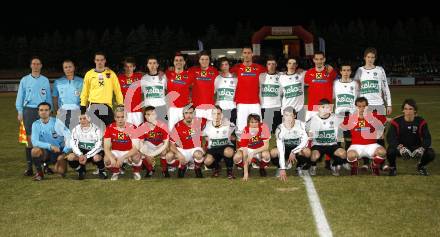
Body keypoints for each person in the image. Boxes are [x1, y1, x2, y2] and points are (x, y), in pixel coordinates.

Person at [16, 56, 52, 176]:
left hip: (43, 110)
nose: (36, 66)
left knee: (45, 137)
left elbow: (48, 97)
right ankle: (30, 167)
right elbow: (20, 96)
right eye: (34, 64)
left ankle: (46, 166)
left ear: (41, 66)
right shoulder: (24, 80)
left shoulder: (45, 80)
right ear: (31, 66)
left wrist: (50, 110)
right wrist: (20, 111)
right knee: (30, 140)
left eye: (38, 64)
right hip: (29, 111)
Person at [386, 99, 435, 176]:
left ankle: (421, 166)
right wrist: (399, 147)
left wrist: (422, 148)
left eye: (410, 109)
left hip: (416, 148)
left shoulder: (421, 121)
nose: (408, 111)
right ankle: (393, 168)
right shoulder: (396, 122)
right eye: (406, 109)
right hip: (402, 148)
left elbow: (427, 138)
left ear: (415, 110)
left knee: (431, 153)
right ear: (403, 110)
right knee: (390, 151)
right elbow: (390, 138)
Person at [341, 97, 387, 176]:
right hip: (356, 146)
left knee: (382, 152)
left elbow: (385, 121)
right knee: (350, 155)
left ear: (367, 106)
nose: (362, 108)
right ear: (356, 107)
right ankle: (354, 167)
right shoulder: (350, 118)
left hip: (371, 145)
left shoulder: (374, 116)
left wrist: (381, 131)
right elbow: (341, 127)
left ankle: (374, 165)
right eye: (359, 106)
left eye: (364, 106)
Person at [80, 52, 124, 126]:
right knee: (94, 131)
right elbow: (85, 92)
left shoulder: (111, 74)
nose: (99, 62)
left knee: (110, 130)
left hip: (107, 106)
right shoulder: (89, 74)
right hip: (94, 106)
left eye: (101, 60)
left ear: (105, 60)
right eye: (97, 60)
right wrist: (83, 107)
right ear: (94, 61)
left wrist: (120, 104)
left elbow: (117, 91)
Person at [30, 102, 71, 181]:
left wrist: (65, 152)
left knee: (61, 171)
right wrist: (50, 146)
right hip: (46, 152)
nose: (44, 112)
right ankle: (39, 173)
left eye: (46, 110)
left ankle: (49, 166)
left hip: (59, 151)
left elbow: (69, 136)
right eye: (41, 110)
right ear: (38, 112)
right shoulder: (35, 124)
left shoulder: (58, 122)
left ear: (50, 111)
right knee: (34, 151)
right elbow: (34, 142)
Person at [230, 46, 265, 136]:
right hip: (241, 101)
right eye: (245, 53)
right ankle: (241, 145)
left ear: (252, 54)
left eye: (249, 53)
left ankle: (257, 145)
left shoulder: (259, 68)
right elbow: (225, 74)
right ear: (242, 54)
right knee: (241, 126)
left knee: (257, 125)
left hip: (255, 101)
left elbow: (272, 74)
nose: (247, 55)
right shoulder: (236, 68)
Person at [306, 99, 347, 176]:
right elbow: (307, 132)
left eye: (327, 107)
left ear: (330, 109)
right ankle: (313, 166)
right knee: (314, 156)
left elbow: (345, 127)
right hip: (318, 145)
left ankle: (334, 165)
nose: (325, 109)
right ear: (318, 108)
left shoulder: (337, 118)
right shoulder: (313, 119)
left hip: (332, 145)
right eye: (322, 107)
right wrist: (310, 133)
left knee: (343, 154)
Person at [270, 107, 310, 181]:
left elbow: (305, 141)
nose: (288, 118)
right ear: (283, 116)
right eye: (286, 115)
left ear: (294, 116)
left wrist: (294, 151)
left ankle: (299, 166)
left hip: (297, 147)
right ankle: (280, 166)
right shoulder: (279, 129)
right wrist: (282, 168)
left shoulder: (301, 125)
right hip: (284, 148)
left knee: (307, 152)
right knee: (273, 152)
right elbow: (281, 148)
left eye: (290, 115)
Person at [103, 105, 140, 180]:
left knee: (136, 156)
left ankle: (136, 172)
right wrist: (111, 158)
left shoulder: (132, 127)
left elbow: (135, 148)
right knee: (106, 159)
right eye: (118, 117)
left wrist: (123, 158)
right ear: (115, 118)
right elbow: (106, 147)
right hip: (115, 151)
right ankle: (116, 171)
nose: (120, 119)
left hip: (128, 151)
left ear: (126, 117)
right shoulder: (109, 128)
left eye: (122, 117)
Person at [169, 104, 207, 178]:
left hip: (195, 149)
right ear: (183, 114)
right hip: (183, 150)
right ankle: (183, 166)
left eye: (190, 113)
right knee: (169, 156)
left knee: (199, 155)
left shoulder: (201, 121)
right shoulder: (177, 126)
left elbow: (213, 122)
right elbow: (171, 144)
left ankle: (197, 168)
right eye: (186, 113)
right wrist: (178, 153)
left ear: (194, 113)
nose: (188, 115)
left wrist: (204, 147)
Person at [67, 114, 107, 180]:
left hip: (94, 152)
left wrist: (87, 156)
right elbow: (73, 143)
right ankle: (80, 170)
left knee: (97, 158)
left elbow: (98, 145)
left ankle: (102, 170)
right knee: (70, 157)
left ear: (89, 119)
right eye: (80, 119)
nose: (82, 120)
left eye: (84, 118)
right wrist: (80, 155)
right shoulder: (76, 129)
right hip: (81, 152)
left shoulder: (96, 129)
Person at [136, 106, 173, 178]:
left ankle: (164, 170)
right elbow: (140, 143)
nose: (150, 116)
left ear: (156, 115)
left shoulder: (163, 125)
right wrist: (147, 155)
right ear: (145, 116)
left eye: (152, 114)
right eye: (148, 114)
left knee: (164, 151)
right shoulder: (142, 126)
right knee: (141, 151)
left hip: (160, 145)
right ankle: (150, 169)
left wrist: (154, 153)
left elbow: (166, 143)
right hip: (149, 144)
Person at [234, 114, 271, 181]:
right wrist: (246, 173)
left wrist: (253, 153)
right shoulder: (246, 130)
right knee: (236, 157)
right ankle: (246, 168)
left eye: (256, 122)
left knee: (266, 155)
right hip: (248, 148)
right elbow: (245, 151)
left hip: (260, 149)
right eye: (252, 122)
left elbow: (266, 146)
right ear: (248, 123)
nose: (254, 124)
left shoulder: (264, 127)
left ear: (259, 122)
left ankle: (262, 167)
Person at [203, 106, 236, 179]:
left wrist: (233, 140)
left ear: (222, 114)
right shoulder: (207, 125)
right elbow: (205, 137)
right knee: (207, 162)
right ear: (211, 115)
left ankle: (229, 171)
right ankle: (217, 167)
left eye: (218, 113)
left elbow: (234, 136)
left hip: (225, 147)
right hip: (213, 148)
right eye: (214, 114)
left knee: (228, 152)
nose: (216, 116)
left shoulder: (228, 124)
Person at [52, 59, 83, 129]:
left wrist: (84, 111)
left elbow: (85, 98)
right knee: (63, 134)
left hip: (77, 111)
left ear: (74, 68)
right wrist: (56, 110)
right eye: (65, 67)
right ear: (63, 69)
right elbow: (55, 98)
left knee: (76, 133)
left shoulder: (81, 81)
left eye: (70, 67)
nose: (68, 69)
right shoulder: (58, 82)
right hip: (63, 112)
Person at [165, 53, 193, 130]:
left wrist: (191, 97)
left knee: (183, 131)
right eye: (176, 60)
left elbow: (196, 88)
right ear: (173, 62)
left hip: (184, 109)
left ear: (184, 62)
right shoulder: (168, 74)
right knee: (172, 132)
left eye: (181, 60)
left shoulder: (189, 75)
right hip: (171, 109)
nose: (178, 62)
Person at [188, 51, 219, 120]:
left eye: (206, 59)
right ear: (199, 60)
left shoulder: (214, 71)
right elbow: (184, 83)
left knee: (209, 128)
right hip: (197, 106)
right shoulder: (193, 71)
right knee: (197, 129)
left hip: (210, 106)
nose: (204, 61)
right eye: (202, 59)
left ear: (209, 60)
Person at [118, 57, 144, 126]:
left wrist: (161, 72)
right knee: (127, 133)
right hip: (126, 111)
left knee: (139, 134)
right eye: (127, 67)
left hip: (138, 111)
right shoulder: (120, 78)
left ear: (134, 67)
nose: (129, 68)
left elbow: (152, 75)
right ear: (124, 68)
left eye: (130, 66)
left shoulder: (139, 77)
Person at [259, 56, 282, 133]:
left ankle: (278, 145)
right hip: (264, 107)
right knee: (265, 133)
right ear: (266, 65)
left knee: (277, 131)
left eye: (273, 64)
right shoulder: (261, 76)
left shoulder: (281, 76)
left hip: (277, 107)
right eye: (269, 64)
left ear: (276, 65)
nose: (271, 66)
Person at [141, 55, 167, 121]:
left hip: (161, 108)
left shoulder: (163, 77)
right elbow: (141, 95)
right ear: (147, 65)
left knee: (162, 130)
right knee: (150, 130)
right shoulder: (143, 78)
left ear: (157, 65)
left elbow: (167, 91)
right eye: (150, 63)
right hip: (148, 110)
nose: (152, 65)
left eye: (154, 63)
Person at [214, 57, 237, 124]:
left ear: (229, 65)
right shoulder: (217, 78)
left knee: (232, 130)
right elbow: (213, 92)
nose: (224, 66)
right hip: (220, 109)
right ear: (220, 67)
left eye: (226, 64)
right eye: (222, 65)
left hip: (232, 108)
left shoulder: (235, 78)